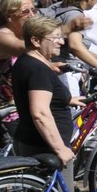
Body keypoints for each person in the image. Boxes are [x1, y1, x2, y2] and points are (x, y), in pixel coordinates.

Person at [12, 14, 77, 172]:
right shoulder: (38, 70)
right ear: (35, 41)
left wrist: (67, 100)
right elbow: (40, 113)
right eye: (55, 37)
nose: (61, 42)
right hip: (46, 148)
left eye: (61, 37)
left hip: (33, 142)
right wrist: (60, 149)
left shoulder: (26, 61)